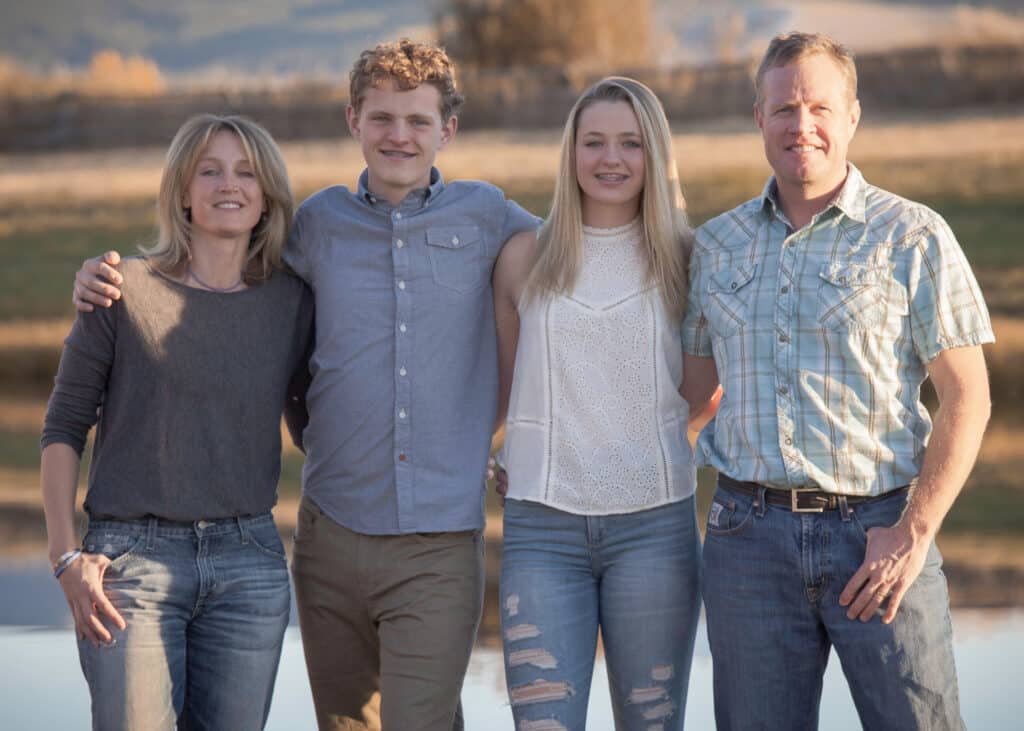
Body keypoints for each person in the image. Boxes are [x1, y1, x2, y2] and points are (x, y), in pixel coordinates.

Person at [72, 40, 539, 731]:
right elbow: (222, 272)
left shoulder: (490, 215)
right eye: (381, 118)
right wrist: (106, 277)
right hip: (330, 536)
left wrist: (515, 434)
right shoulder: (315, 225)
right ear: (353, 120)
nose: (399, 136)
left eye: (417, 120)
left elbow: (580, 263)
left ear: (449, 128)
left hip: (440, 540)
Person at [680, 32, 993, 730]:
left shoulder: (912, 234)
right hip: (746, 542)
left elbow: (968, 394)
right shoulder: (715, 245)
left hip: (879, 538)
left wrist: (913, 531)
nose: (802, 125)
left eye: (820, 106)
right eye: (785, 108)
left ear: (853, 116)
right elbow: (692, 398)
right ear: (758, 117)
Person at [42, 113, 313, 730]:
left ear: (267, 194)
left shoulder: (292, 301)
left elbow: (313, 420)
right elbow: (63, 427)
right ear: (182, 193)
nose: (229, 184)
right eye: (209, 170)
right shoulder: (119, 290)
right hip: (128, 564)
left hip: (250, 565)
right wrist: (64, 557)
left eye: (246, 172)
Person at [491, 77, 705, 729]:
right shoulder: (523, 258)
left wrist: (645, 449)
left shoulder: (687, 259)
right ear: (570, 153)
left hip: (655, 530)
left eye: (630, 143)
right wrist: (506, 456)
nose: (611, 158)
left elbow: (703, 393)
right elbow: (506, 388)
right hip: (540, 533)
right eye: (594, 142)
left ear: (655, 153)